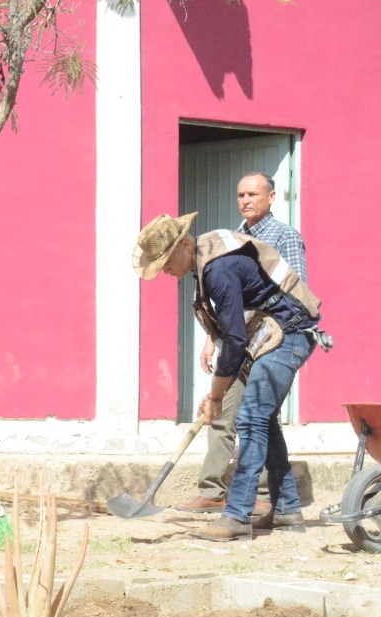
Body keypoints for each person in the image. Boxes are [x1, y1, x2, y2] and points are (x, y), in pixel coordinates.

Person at [133, 212, 323, 541]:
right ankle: (288, 509)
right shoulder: (207, 259)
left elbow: (235, 341)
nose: (164, 270)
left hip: (290, 331)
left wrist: (216, 396)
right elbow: (232, 337)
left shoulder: (218, 268)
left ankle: (236, 516)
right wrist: (215, 394)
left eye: (165, 260)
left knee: (250, 417)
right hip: (271, 331)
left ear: (184, 246)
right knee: (264, 418)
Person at [178, 171, 312, 513]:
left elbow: (296, 292)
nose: (246, 201)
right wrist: (213, 338)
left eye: (253, 194)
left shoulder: (285, 237)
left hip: (274, 337)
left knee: (260, 414)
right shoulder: (234, 239)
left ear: (271, 197)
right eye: (240, 195)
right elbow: (227, 301)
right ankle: (212, 489)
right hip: (241, 337)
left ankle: (265, 497)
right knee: (221, 407)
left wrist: (265, 337)